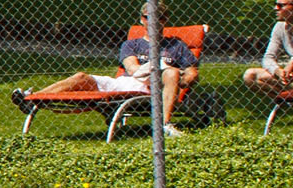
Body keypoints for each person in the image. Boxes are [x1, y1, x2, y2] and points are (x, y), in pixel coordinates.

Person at [16, 20, 196, 117]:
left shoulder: (176, 46)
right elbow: (132, 68)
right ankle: (32, 99)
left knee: (170, 72)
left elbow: (192, 71)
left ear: (165, 20)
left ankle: (31, 101)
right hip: (124, 84)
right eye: (148, 18)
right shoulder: (131, 44)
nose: (154, 21)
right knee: (80, 77)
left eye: (159, 17)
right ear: (142, 20)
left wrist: (182, 80)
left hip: (150, 89)